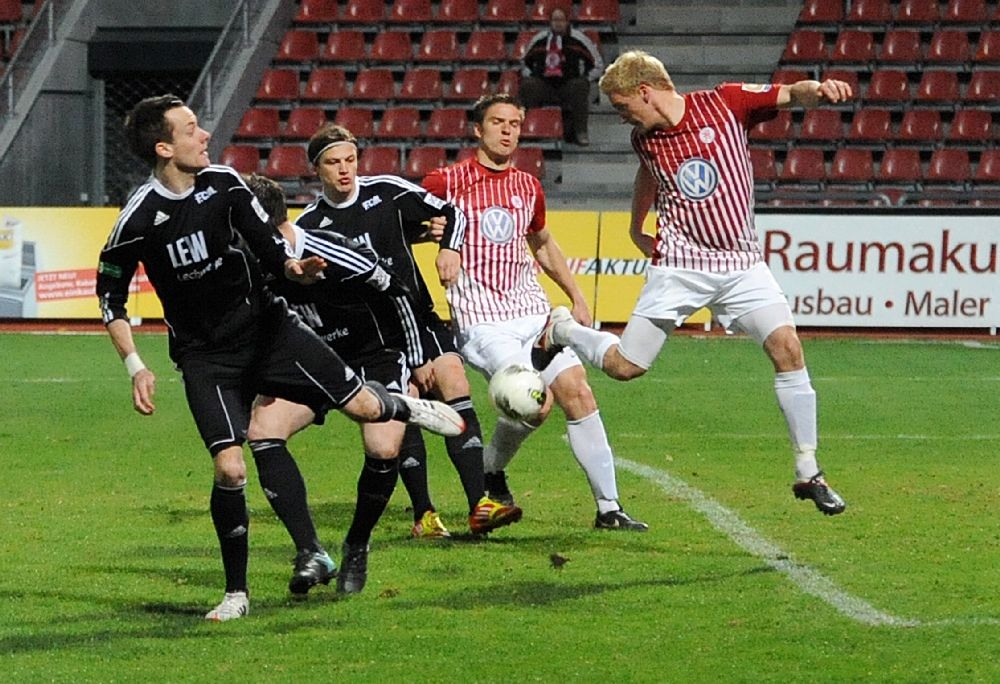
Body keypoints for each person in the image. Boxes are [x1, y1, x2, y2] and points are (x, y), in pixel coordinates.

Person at [96, 94, 465, 621]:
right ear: (164, 147)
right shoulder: (137, 220)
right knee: (230, 468)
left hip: (270, 332)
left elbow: (273, 251)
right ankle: (238, 593)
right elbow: (110, 297)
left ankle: (405, 407)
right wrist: (136, 364)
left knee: (366, 409)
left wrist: (296, 270)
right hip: (206, 358)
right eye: (192, 129)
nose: (205, 135)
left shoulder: (225, 184)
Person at [536, 50, 849, 515]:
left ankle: (809, 470)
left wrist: (819, 90)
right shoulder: (645, 138)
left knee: (788, 348)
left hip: (741, 263)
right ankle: (563, 329)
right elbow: (649, 175)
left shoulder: (726, 103)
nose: (621, 116)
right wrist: (635, 225)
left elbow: (790, 94)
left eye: (623, 105)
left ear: (645, 91)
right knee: (625, 367)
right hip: (681, 266)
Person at [422, 93, 648, 531]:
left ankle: (609, 508)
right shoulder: (446, 182)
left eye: (515, 124)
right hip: (483, 320)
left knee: (578, 392)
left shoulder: (528, 186)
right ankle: (490, 470)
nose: (507, 131)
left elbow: (542, 243)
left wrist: (577, 295)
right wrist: (433, 233)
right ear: (478, 130)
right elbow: (402, 217)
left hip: (531, 310)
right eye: (498, 122)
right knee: (534, 405)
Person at [291, 124, 523, 542]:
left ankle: (480, 505)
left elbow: (453, 212)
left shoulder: (387, 191)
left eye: (350, 160)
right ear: (316, 169)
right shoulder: (310, 225)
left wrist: (448, 247)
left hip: (418, 315)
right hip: (372, 339)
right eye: (333, 163)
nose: (344, 170)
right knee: (405, 406)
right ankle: (425, 514)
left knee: (454, 381)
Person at [519, 7, 603, 146]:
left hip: (568, 84)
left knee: (580, 86)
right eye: (555, 20)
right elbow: (524, 62)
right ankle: (529, 127)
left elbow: (598, 64)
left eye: (561, 20)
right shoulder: (539, 39)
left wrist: (586, 77)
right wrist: (531, 74)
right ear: (550, 22)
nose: (558, 23)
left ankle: (580, 132)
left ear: (567, 21)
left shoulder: (579, 39)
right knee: (528, 85)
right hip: (545, 84)